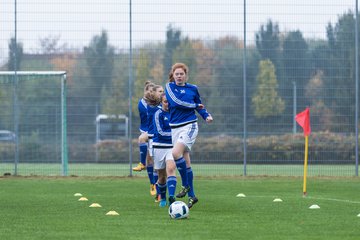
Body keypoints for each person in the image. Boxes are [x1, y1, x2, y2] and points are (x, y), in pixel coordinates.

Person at [165, 62, 213, 209]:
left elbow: (200, 104)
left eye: (181, 74)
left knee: (175, 153)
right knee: (186, 163)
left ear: (186, 75)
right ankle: (192, 196)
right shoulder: (169, 87)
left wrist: (206, 115)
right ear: (173, 75)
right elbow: (176, 102)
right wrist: (194, 106)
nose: (179, 76)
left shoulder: (193, 89)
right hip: (175, 129)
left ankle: (185, 185)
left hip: (189, 126)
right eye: (176, 74)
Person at [152, 93, 177, 207]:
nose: (168, 104)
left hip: (172, 147)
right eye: (165, 102)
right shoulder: (158, 114)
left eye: (169, 102)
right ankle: (162, 197)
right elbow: (160, 132)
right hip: (159, 147)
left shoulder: (176, 113)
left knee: (171, 169)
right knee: (161, 176)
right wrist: (176, 134)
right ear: (161, 102)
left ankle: (171, 197)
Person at [133, 81, 157, 196]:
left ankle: (159, 186)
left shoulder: (158, 103)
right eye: (149, 91)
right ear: (145, 92)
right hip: (146, 131)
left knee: (156, 162)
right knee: (149, 160)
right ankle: (152, 184)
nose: (151, 93)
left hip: (156, 133)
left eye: (153, 91)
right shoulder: (142, 104)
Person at [145, 84, 164, 202]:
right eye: (159, 91)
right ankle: (158, 192)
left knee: (164, 169)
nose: (162, 93)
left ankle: (161, 191)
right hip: (154, 139)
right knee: (158, 167)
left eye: (163, 91)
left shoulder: (164, 106)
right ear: (154, 93)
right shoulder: (152, 107)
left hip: (165, 140)